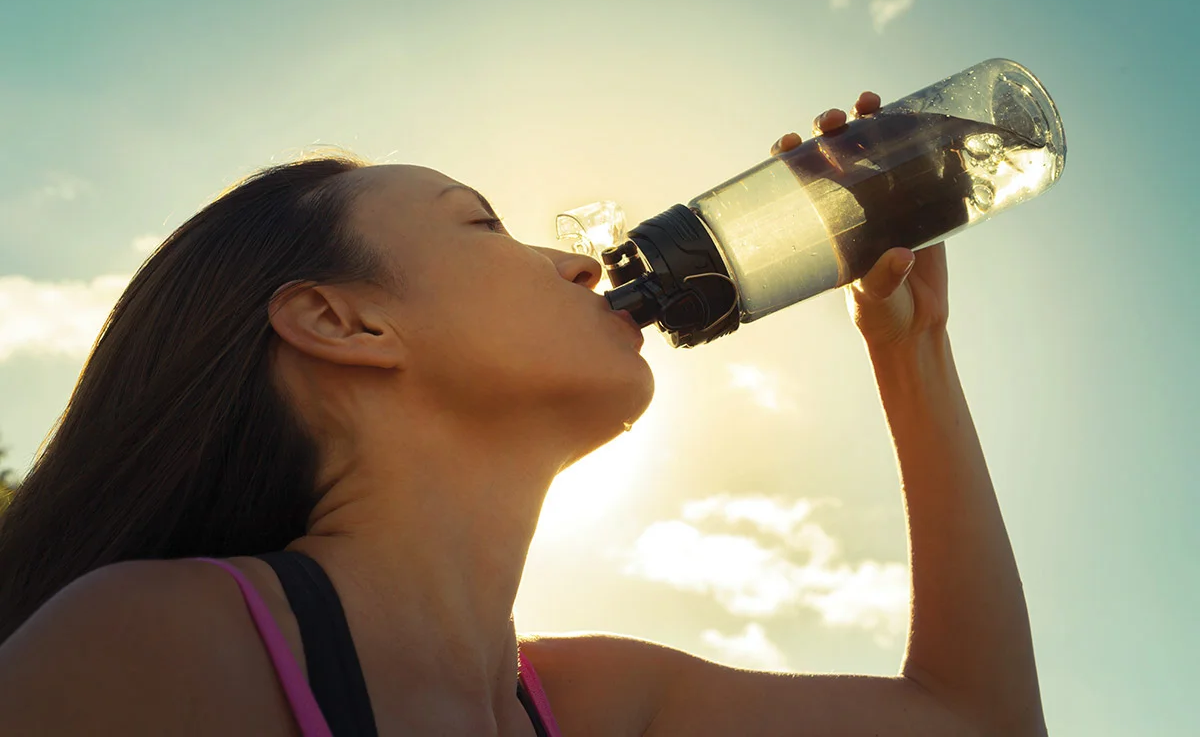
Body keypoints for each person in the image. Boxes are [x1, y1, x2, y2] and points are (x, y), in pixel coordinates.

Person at [0, 93, 1046, 736]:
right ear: (344, 322)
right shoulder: (157, 646)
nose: (580, 264)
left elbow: (978, 723)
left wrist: (912, 346)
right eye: (483, 224)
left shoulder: (588, 704)